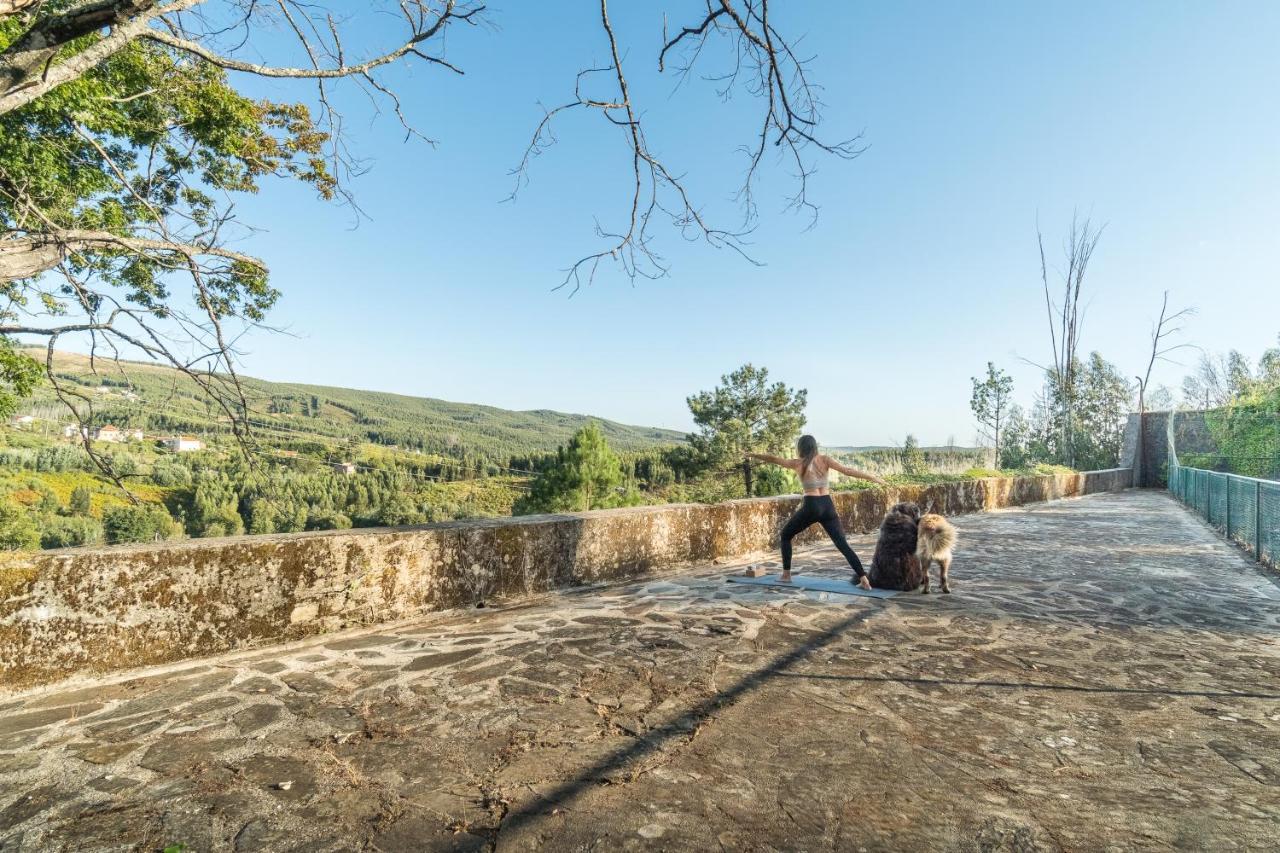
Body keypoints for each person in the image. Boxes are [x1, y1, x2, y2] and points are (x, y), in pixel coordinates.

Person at [747, 435, 887, 588]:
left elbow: (773, 459)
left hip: (811, 506)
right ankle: (864, 580)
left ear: (801, 448)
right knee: (842, 544)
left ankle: (786, 575)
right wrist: (873, 478)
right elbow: (848, 470)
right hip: (828, 506)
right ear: (814, 447)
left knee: (786, 535)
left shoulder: (798, 463)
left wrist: (753, 454)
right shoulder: (825, 459)